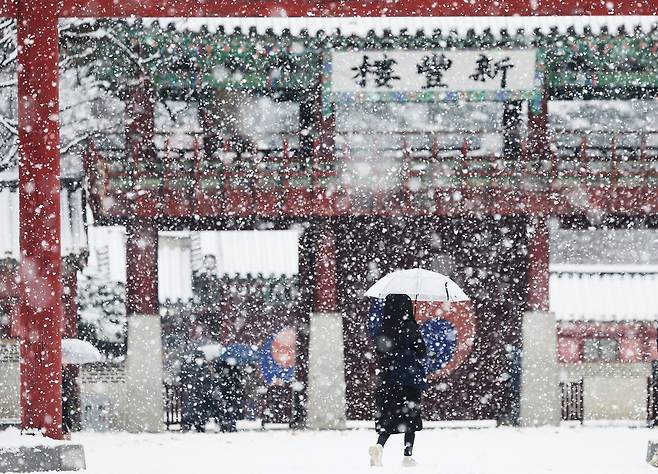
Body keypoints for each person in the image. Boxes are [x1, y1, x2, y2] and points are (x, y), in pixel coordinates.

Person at [369, 294, 427, 467]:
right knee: (410, 419)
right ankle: (407, 457)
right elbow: (422, 351)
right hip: (409, 380)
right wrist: (413, 329)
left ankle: (379, 446)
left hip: (388, 380)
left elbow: (380, 352)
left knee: (389, 417)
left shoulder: (384, 328)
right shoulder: (411, 328)